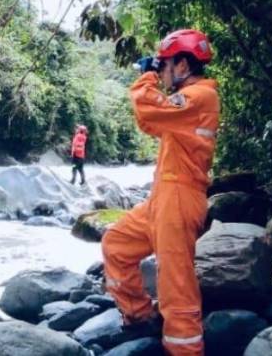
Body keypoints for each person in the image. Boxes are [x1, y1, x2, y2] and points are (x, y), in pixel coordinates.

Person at [101, 29, 219, 356]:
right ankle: (141, 317)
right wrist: (153, 76)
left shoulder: (201, 96)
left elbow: (149, 110)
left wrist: (146, 77)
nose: (162, 72)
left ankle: (184, 349)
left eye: (165, 65)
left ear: (182, 65)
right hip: (164, 197)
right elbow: (150, 122)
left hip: (180, 198)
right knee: (116, 244)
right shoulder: (186, 102)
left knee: (175, 283)